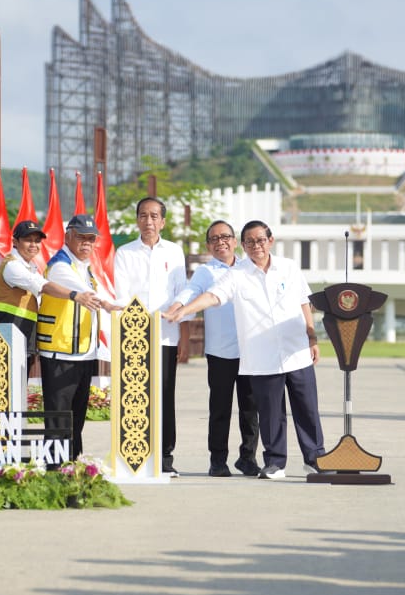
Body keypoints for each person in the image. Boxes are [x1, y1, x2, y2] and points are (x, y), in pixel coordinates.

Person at [164, 219, 325, 480]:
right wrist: (184, 310)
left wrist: (311, 336)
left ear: (270, 241)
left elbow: (303, 301)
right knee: (271, 413)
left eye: (260, 240)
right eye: (250, 242)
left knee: (306, 408)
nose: (256, 246)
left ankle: (315, 458)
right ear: (245, 245)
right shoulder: (236, 275)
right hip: (260, 356)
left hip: (295, 349)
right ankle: (274, 462)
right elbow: (212, 296)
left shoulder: (288, 267)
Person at [167, 220, 259, 477]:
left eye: (226, 237)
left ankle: (248, 457)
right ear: (208, 245)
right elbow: (190, 293)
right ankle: (218, 460)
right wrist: (176, 307)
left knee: (250, 408)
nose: (221, 242)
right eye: (215, 238)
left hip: (250, 349)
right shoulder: (205, 273)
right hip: (220, 352)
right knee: (220, 409)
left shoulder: (249, 267)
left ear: (235, 241)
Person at [113, 196, 188, 476]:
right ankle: (136, 454)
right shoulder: (124, 253)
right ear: (137, 220)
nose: (149, 221)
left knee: (165, 396)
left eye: (154, 216)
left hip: (166, 334)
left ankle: (165, 457)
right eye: (143, 215)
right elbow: (121, 295)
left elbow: (183, 292)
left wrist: (182, 328)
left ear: (163, 221)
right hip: (134, 336)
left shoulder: (174, 252)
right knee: (135, 395)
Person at [37, 214, 119, 461]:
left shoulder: (86, 269)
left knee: (77, 416)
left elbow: (96, 293)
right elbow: (85, 292)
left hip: (83, 353)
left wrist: (114, 306)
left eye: (91, 239)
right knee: (59, 417)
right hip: (60, 352)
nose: (87, 243)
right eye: (81, 237)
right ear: (68, 237)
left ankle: (74, 465)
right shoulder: (60, 265)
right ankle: (54, 469)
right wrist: (106, 302)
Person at [0, 220, 100, 368]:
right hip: (3, 338)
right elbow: (44, 286)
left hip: (20, 337)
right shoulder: (12, 266)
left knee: (18, 389)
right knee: (4, 389)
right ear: (15, 241)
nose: (33, 245)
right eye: (28, 240)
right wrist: (75, 295)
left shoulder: (30, 266)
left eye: (37, 240)